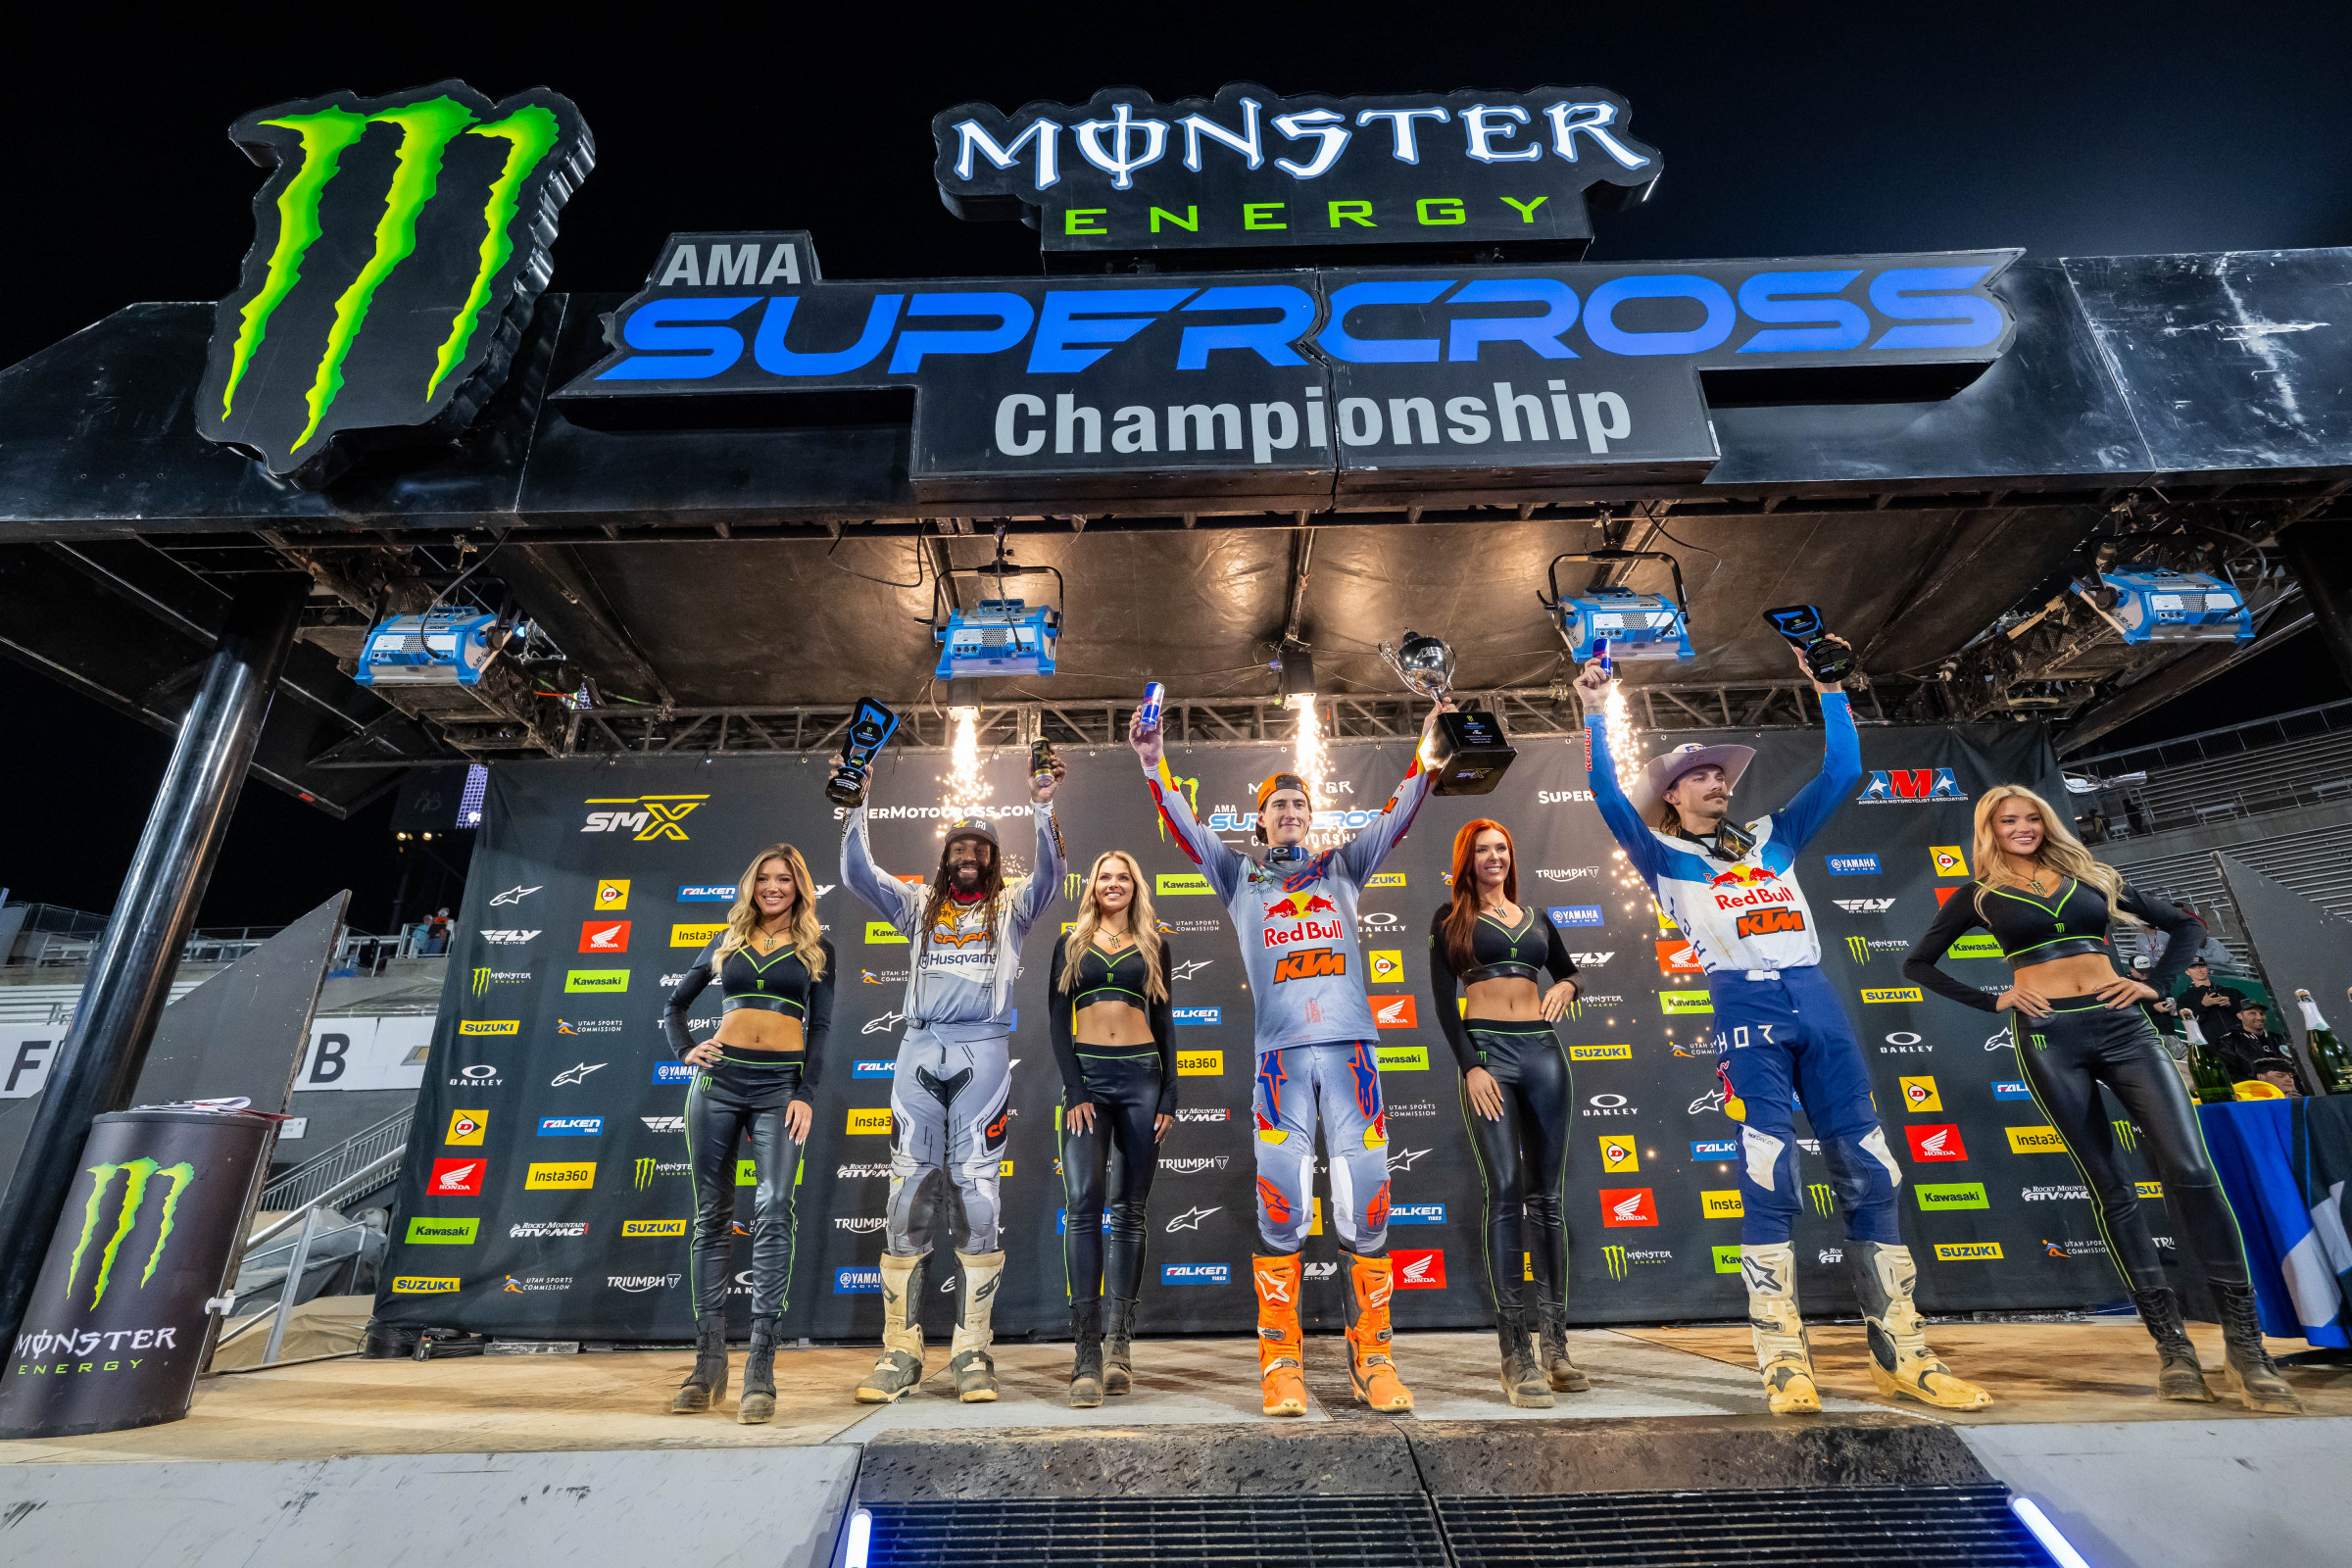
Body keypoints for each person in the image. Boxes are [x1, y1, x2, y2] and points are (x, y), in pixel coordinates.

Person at [1576, 641, 1992, 1416]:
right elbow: (1603, 792)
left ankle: (1904, 1354)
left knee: (1871, 1165)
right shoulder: (1659, 852)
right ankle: (1782, 1364)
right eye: (1701, 774)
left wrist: (1830, 687)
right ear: (1672, 793)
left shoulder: (1773, 836)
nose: (1717, 781)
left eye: (1721, 774)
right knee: (1768, 1171)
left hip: (1815, 997)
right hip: (1744, 1004)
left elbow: (1841, 774)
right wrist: (1596, 707)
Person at [1903, 786, 2299, 1413]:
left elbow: (2186, 925)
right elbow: (1918, 964)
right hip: (2050, 1037)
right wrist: (1994, 998)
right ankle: (2174, 1350)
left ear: (2046, 822)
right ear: (1990, 829)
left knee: (2192, 1171)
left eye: (2032, 817)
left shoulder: (2094, 875)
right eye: (2009, 820)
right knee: (2110, 1185)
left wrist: (2151, 984)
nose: (2023, 826)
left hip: (2125, 1029)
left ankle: (2248, 1351)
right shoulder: (1978, 895)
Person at [1130, 699, 1449, 1417]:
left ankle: (1374, 1358)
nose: (1291, 813)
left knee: (1366, 1210)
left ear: (1312, 818)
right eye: (1278, 806)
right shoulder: (1242, 878)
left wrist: (1429, 753)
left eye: (1300, 804)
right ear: (1260, 821)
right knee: (1282, 1214)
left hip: (1351, 1062)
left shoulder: (1343, 868)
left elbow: (1397, 814)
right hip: (1280, 1064)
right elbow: (1184, 824)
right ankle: (1281, 1364)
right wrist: (1153, 762)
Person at [839, 760, 1065, 1403]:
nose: (967, 855)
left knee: (978, 1196)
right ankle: (900, 1350)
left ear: (994, 859)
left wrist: (1043, 809)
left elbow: (1051, 875)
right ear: (946, 859)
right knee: (906, 1192)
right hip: (918, 1050)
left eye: (979, 848)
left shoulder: (1012, 905)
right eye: (958, 847)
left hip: (983, 1053)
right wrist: (855, 807)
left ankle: (972, 1353)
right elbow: (858, 874)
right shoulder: (919, 905)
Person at [660, 843, 835, 1424]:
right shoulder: (726, 941)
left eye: (783, 879)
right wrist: (687, 1049)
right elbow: (673, 1007)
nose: (773, 888)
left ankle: (761, 1367)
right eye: (764, 879)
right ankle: (708, 1365)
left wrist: (805, 1094)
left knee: (776, 1207)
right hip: (717, 1085)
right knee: (711, 1216)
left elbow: (823, 1028)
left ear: (799, 887)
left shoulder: (818, 950)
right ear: (751, 885)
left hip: (779, 1090)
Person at [1425, 818, 1586, 1407]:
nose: (1493, 857)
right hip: (1488, 1053)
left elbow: (1568, 971)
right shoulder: (1450, 919)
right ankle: (1514, 1353)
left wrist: (1569, 987)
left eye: (1502, 849)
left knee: (1548, 1196)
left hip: (1544, 1053)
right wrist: (1471, 1065)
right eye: (1482, 850)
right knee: (1507, 1188)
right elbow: (1444, 1002)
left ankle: (1557, 1347)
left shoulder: (1538, 917)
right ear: (1466, 860)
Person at [1047, 850, 1176, 1406]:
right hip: (1089, 1080)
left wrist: (1170, 1091)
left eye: (1124, 876)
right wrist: (1075, 1088)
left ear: (1135, 886)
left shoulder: (1154, 946)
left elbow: (1165, 1021)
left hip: (1143, 1078)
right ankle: (1085, 1353)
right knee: (1083, 1202)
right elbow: (1056, 1023)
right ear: (1092, 886)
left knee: (1129, 1208)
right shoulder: (1070, 946)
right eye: (1106, 876)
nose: (1114, 884)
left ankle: (1120, 1343)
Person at [2215, 1001, 2298, 1087]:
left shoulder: (2279, 1039)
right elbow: (2229, 1074)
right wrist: (2263, 1086)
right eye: (2252, 1013)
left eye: (2262, 1013)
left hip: (2289, 1090)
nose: (2259, 1017)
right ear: (2240, 1016)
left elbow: (2296, 1068)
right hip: (2256, 1093)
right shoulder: (2228, 1041)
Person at [2164, 959, 2250, 1041]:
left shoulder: (2230, 991)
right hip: (2215, 1046)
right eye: (2193, 967)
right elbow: (2190, 1025)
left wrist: (2231, 1004)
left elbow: (2251, 1013)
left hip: (2243, 1040)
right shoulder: (2185, 998)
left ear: (2208, 969)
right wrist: (2203, 1006)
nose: (2199, 969)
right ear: (2187, 972)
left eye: (2202, 966)